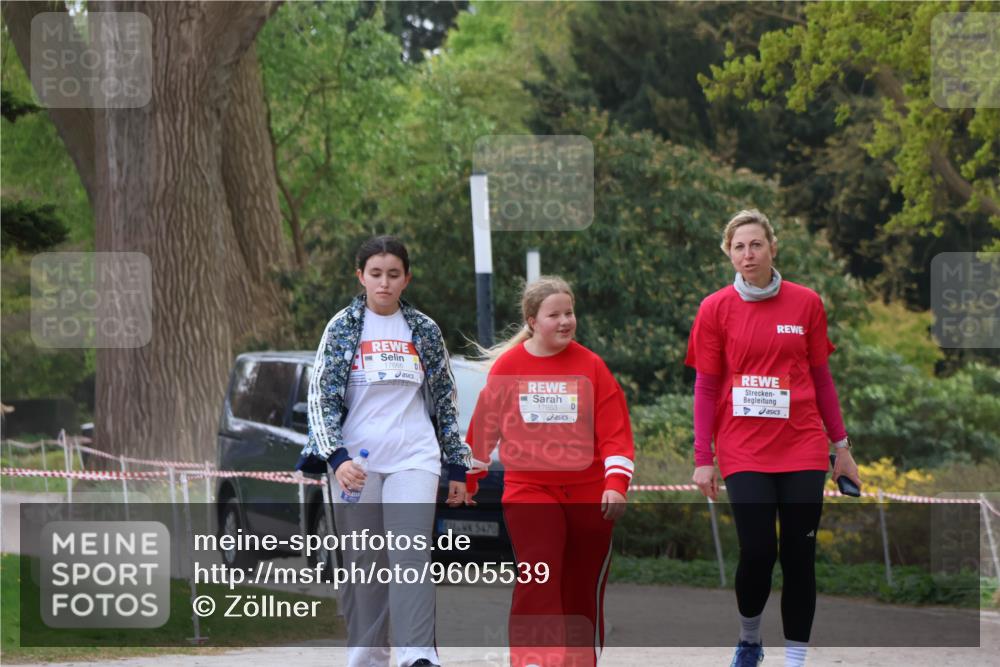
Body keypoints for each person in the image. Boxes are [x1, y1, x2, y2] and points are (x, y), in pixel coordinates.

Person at [685, 210, 863, 667]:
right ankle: (749, 640)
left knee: (799, 554)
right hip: (742, 448)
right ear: (729, 253)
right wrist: (703, 456)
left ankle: (796, 659)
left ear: (772, 248)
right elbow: (705, 387)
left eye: (756, 244)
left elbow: (823, 379)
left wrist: (841, 448)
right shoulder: (715, 309)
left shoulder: (806, 303)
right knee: (759, 550)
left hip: (802, 444)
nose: (748, 254)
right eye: (739, 246)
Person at [296, 235, 471, 667]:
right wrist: (336, 458)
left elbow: (446, 400)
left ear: (406, 279)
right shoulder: (342, 327)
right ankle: (368, 656)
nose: (385, 283)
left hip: (415, 457)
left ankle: (417, 656)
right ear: (361, 276)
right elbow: (321, 397)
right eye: (376, 274)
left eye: (394, 275)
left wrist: (456, 466)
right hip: (357, 464)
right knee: (366, 567)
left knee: (411, 553)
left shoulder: (424, 330)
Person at [465, 276, 635, 667]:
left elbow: (616, 434)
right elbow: (483, 429)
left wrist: (615, 484)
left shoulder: (591, 365)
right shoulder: (510, 366)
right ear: (531, 320)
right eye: (554, 314)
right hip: (530, 490)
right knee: (539, 573)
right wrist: (468, 479)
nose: (565, 321)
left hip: (589, 493)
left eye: (569, 313)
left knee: (578, 588)